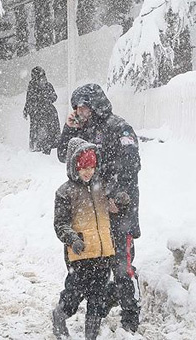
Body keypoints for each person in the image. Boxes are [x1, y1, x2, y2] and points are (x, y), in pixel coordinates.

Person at [57, 83, 141, 333]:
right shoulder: (82, 129)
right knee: (95, 265)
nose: (78, 111)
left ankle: (130, 317)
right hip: (92, 213)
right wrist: (69, 128)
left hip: (118, 211)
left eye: (81, 106)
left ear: (93, 105)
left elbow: (131, 167)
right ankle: (102, 304)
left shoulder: (119, 128)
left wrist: (118, 198)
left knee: (122, 267)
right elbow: (64, 155)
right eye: (76, 108)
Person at [52, 137, 115, 340]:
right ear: (74, 167)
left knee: (97, 299)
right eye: (83, 167)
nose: (88, 172)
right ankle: (60, 314)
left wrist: (120, 202)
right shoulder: (65, 192)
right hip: (80, 255)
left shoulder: (101, 187)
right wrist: (73, 239)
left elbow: (112, 212)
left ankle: (91, 336)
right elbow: (60, 224)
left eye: (91, 167)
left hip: (103, 254)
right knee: (74, 295)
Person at [23, 66, 60, 154]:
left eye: (44, 76)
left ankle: (48, 149)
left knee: (51, 132)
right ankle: (39, 150)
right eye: (41, 77)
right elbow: (29, 100)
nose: (43, 78)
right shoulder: (32, 87)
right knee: (40, 133)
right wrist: (26, 110)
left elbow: (54, 97)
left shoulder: (48, 85)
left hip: (49, 113)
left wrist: (47, 99)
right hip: (37, 114)